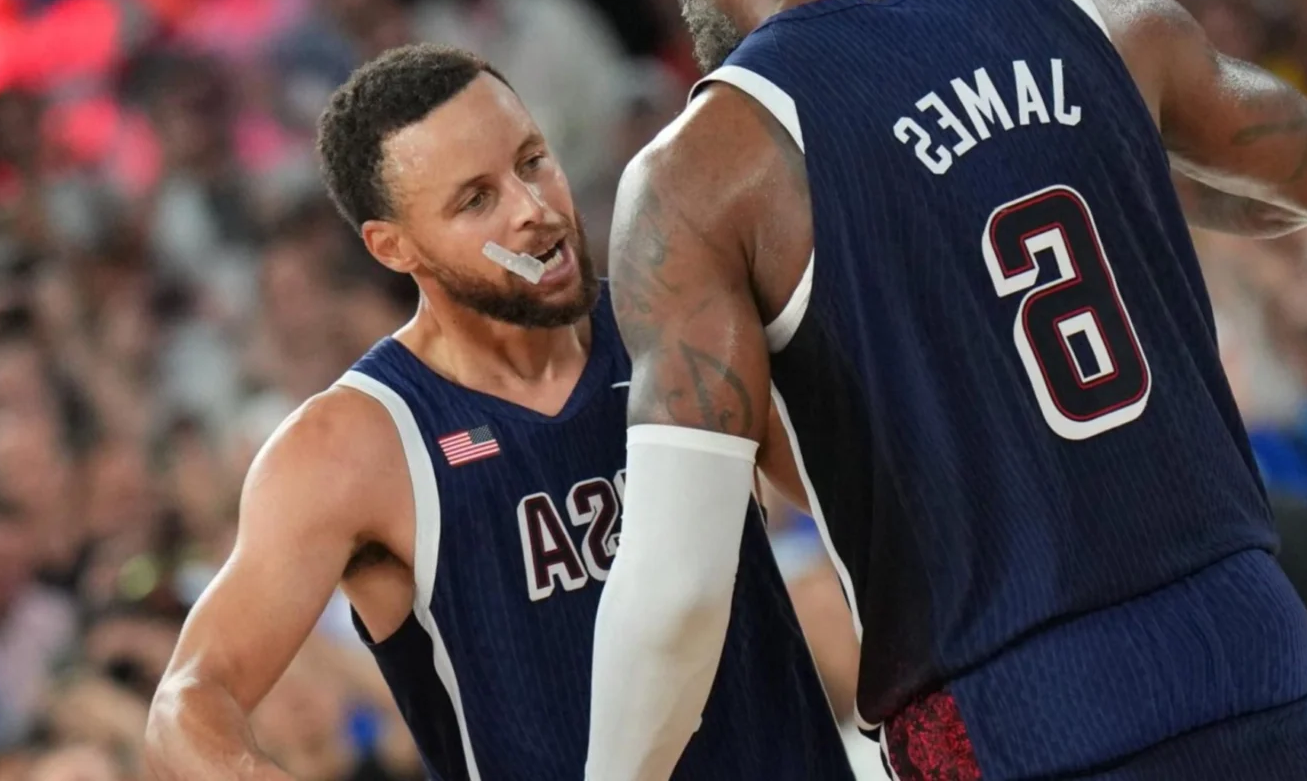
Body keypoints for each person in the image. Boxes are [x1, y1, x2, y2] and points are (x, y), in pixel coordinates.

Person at [584, 0, 1307, 779]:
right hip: (1252, 654)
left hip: (1015, 718)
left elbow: (676, 590)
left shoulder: (703, 169)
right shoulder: (1095, 10)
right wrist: (1115, 161)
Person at [143, 43, 856, 781]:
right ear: (394, 248)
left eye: (532, 160)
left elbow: (874, 511)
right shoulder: (353, 446)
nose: (534, 210)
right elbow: (186, 704)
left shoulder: (682, 325)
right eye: (476, 199)